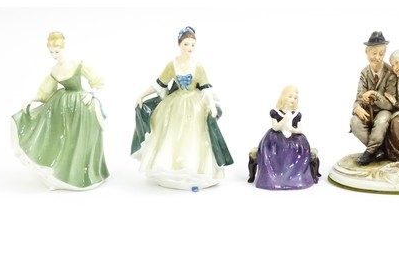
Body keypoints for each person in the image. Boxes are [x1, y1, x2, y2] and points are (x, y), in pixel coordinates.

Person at [131, 27, 233, 189]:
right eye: (186, 44)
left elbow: (206, 88)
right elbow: (159, 83)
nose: (189, 48)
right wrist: (142, 95)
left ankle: (195, 167)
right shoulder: (172, 65)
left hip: (195, 104)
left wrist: (212, 106)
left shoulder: (198, 66)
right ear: (179, 44)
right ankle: (170, 165)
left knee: (195, 135)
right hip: (176, 103)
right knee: (171, 132)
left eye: (192, 44)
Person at [12, 32, 109, 190]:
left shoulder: (77, 64)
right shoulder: (54, 70)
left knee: (83, 139)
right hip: (62, 106)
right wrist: (33, 98)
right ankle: (64, 172)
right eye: (51, 52)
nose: (54, 55)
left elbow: (97, 80)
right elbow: (46, 92)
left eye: (56, 51)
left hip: (81, 104)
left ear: (63, 48)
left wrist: (92, 94)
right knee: (65, 139)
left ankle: (84, 173)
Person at [251, 86, 319, 190]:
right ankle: (274, 179)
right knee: (272, 151)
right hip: (276, 138)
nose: (293, 99)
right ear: (283, 97)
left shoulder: (297, 114)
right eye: (290, 96)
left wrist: (292, 129)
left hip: (294, 138)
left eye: (295, 98)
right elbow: (275, 127)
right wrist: (285, 119)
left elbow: (299, 129)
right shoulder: (275, 112)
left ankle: (294, 178)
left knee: (300, 150)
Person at [350, 31, 397, 165]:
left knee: (382, 120)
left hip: (384, 111)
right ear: (366, 52)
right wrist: (357, 108)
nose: (377, 57)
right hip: (369, 111)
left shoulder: (390, 73)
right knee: (354, 121)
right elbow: (359, 97)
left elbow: (390, 104)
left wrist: (374, 94)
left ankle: (369, 152)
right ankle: (378, 151)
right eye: (374, 53)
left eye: (381, 54)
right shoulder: (364, 73)